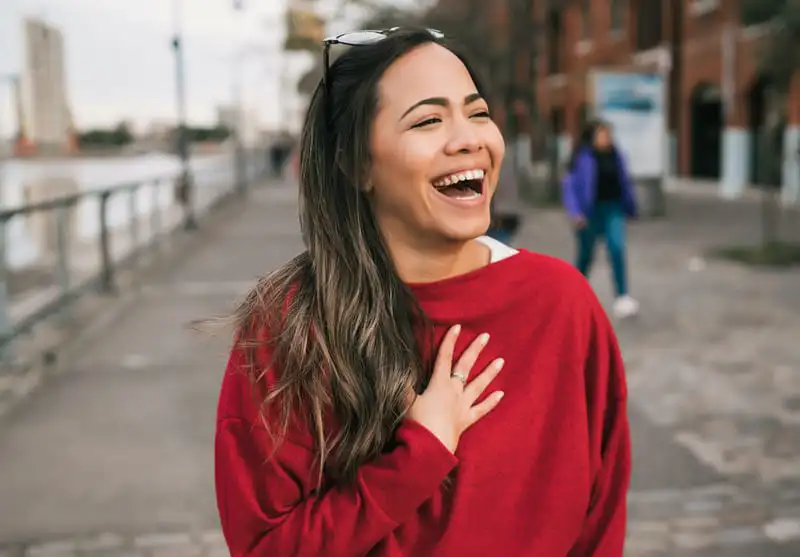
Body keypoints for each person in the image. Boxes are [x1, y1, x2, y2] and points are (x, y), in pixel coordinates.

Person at [215, 28, 631, 557]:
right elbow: (266, 547)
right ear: (356, 163)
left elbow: (601, 515)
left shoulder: (562, 302)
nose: (468, 139)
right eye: (429, 120)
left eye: (477, 113)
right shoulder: (288, 325)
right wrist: (418, 456)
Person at [562, 120, 640, 319]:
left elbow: (625, 182)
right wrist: (576, 212)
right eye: (602, 134)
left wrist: (631, 207)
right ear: (592, 136)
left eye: (608, 134)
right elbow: (570, 186)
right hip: (589, 213)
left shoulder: (617, 155)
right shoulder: (582, 157)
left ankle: (623, 297)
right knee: (586, 256)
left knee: (616, 248)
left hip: (613, 209)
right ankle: (572, 296)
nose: (606, 138)